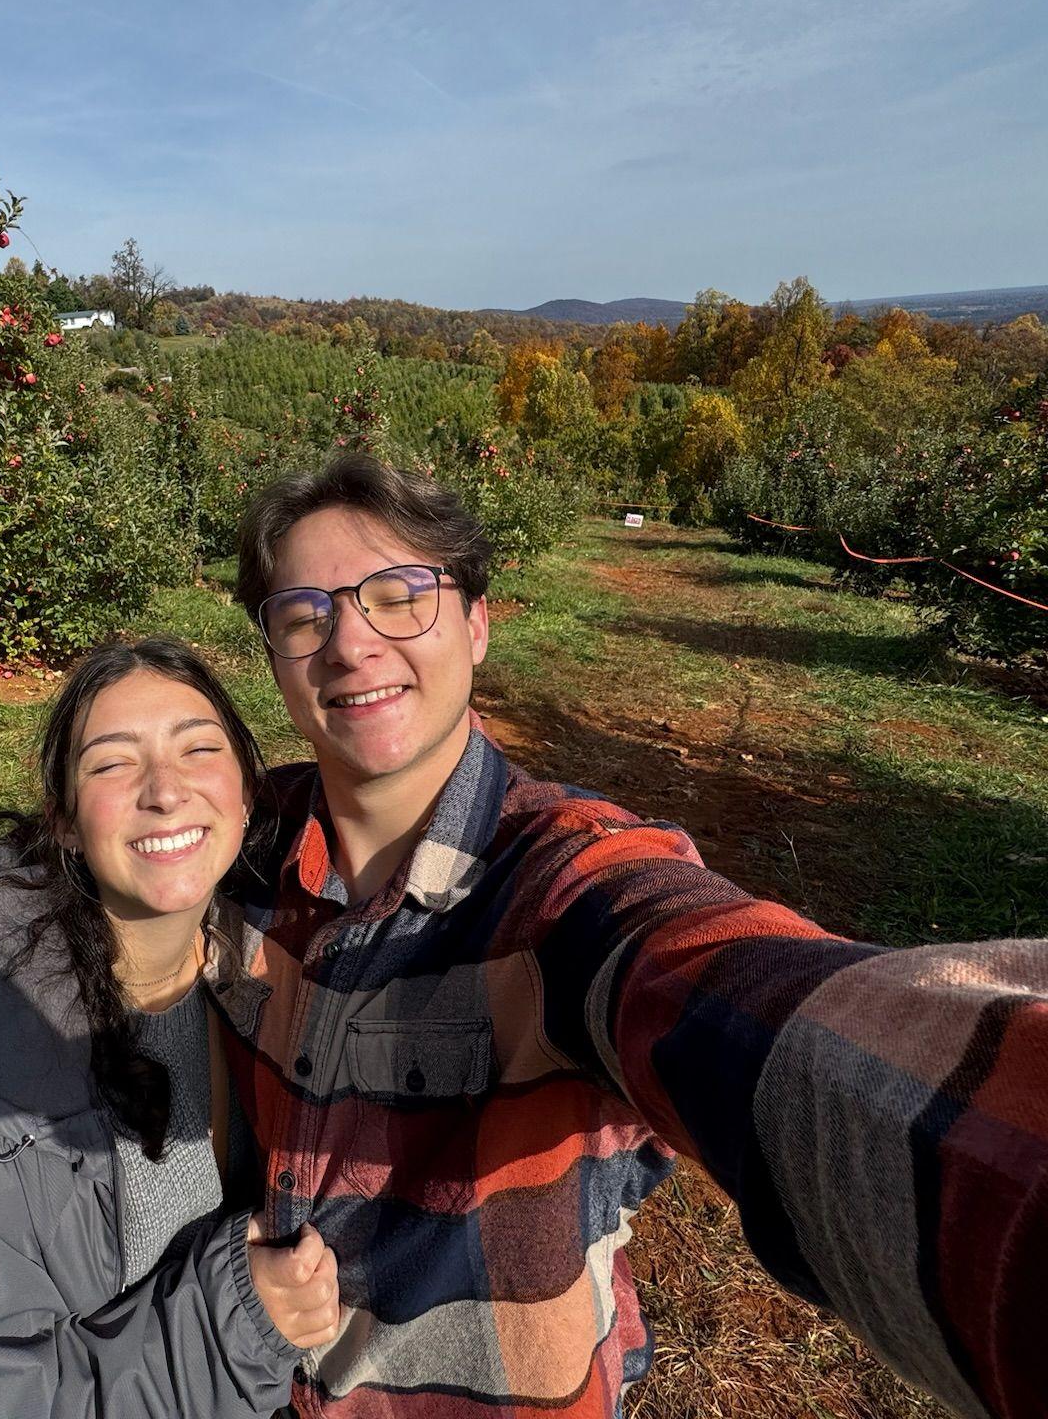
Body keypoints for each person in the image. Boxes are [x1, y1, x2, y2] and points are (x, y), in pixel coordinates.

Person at [202, 452, 1047, 1419]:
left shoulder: (565, 882)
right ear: (273, 653)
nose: (351, 643)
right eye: (306, 615)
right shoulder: (241, 845)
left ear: (477, 623)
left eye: (400, 596)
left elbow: (731, 994)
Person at [0, 637, 339, 1419]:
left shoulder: (273, 977)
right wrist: (238, 1326)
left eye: (200, 750)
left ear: (245, 795)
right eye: (112, 763)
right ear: (64, 823)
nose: (165, 792)